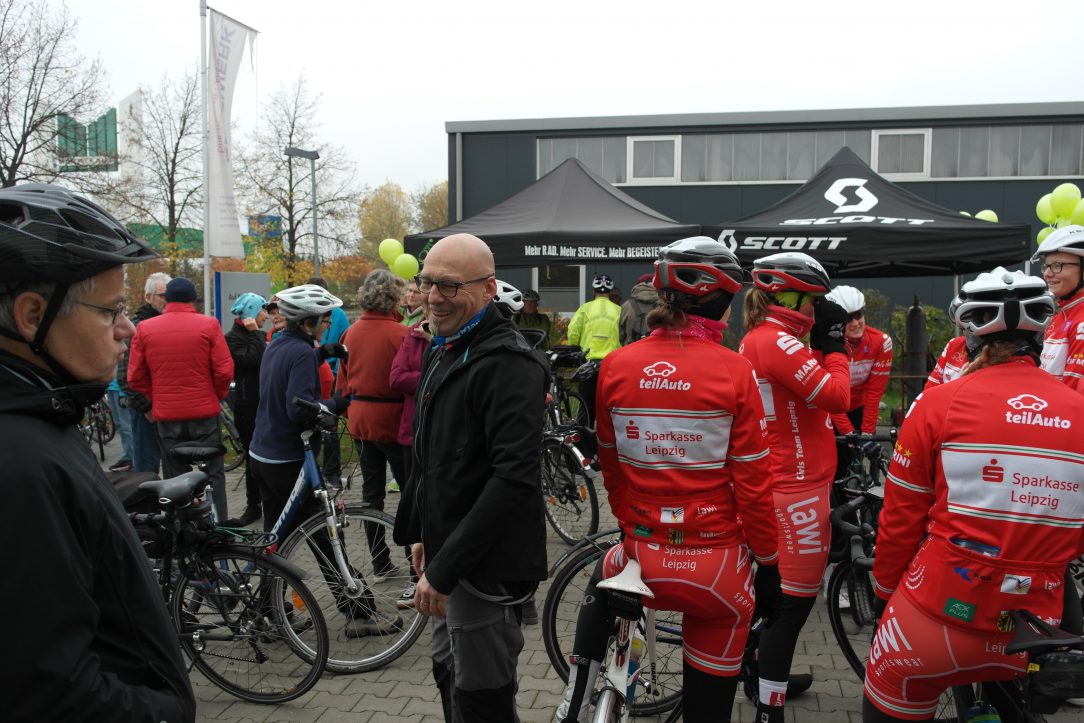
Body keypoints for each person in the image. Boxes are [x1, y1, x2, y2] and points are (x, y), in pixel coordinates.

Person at [555, 237, 780, 723]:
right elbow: (755, 485)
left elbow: (611, 469)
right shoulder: (736, 370)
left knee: (603, 572)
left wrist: (633, 523)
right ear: (722, 300)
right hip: (718, 570)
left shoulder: (615, 365)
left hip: (640, 557)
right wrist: (771, 563)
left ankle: (576, 698)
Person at [0, 183, 195, 720]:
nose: (128, 328)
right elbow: (45, 688)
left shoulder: (40, 418)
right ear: (33, 315)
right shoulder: (20, 463)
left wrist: (108, 497)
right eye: (110, 311)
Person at [864, 268, 1084, 722]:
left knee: (887, 683)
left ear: (969, 335)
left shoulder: (938, 403)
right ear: (1040, 336)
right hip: (1036, 625)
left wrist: (885, 592)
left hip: (939, 614)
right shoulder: (1078, 409)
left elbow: (900, 518)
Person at [392, 233, 548, 722]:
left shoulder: (507, 364)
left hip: (484, 568)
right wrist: (421, 532)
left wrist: (445, 566)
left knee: (482, 697)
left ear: (487, 289)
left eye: (449, 286)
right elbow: (431, 453)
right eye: (427, 282)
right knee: (449, 673)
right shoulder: (446, 347)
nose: (434, 296)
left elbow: (514, 480)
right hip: (450, 553)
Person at [739, 251, 852, 723]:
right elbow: (837, 394)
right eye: (814, 303)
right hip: (798, 487)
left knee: (772, 601)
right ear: (793, 300)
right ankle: (770, 708)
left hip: (786, 481)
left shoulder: (763, 338)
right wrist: (836, 347)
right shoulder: (776, 341)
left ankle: (763, 679)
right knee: (793, 606)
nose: (816, 312)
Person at [249, 284, 396, 637]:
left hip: (263, 454)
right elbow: (299, 408)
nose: (328, 324)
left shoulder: (280, 344)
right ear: (307, 322)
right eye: (324, 320)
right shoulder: (300, 352)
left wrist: (323, 353)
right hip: (287, 459)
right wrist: (340, 404)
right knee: (325, 538)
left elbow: (288, 372)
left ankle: (267, 613)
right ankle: (359, 614)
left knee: (275, 540)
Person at [127, 277, 234, 519]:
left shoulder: (145, 328)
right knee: (213, 474)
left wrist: (156, 399)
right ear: (193, 299)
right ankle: (220, 529)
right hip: (204, 414)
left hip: (167, 417)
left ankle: (181, 533)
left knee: (175, 476)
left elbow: (134, 376)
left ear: (167, 299)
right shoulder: (208, 325)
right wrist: (216, 395)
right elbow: (224, 370)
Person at [338, 270, 409, 580]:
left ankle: (380, 561)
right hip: (394, 422)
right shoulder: (402, 335)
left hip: (360, 420)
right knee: (409, 492)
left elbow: (342, 385)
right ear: (392, 299)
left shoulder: (349, 334)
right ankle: (413, 559)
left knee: (371, 494)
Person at [116, 270, 170, 473]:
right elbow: (124, 376)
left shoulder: (169, 324)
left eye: (170, 296)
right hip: (146, 412)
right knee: (147, 470)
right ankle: (148, 506)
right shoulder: (137, 327)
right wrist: (146, 408)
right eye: (163, 295)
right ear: (149, 297)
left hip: (168, 408)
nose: (168, 300)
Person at [222, 291, 268, 527]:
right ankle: (253, 505)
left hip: (262, 402)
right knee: (253, 456)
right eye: (262, 310)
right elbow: (252, 361)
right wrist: (256, 335)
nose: (266, 315)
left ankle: (267, 500)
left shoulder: (254, 335)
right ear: (250, 312)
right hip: (247, 406)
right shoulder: (232, 338)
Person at [823, 285, 893, 436]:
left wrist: (867, 433)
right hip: (829, 410)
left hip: (858, 408)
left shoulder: (881, 342)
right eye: (848, 318)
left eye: (858, 314)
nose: (855, 323)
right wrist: (847, 432)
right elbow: (827, 396)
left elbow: (874, 393)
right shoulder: (822, 345)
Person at [1035, 224, 1084, 393]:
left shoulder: (1081, 322)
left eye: (1057, 265)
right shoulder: (1061, 316)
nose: (1047, 273)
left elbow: (1073, 397)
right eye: (1046, 266)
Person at [568, 273, 621, 425]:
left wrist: (576, 351)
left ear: (593, 291)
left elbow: (573, 332)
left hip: (588, 364)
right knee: (609, 409)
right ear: (610, 292)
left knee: (586, 408)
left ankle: (583, 446)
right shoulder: (618, 310)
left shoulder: (585, 309)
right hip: (612, 366)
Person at [104, 369, 135, 472]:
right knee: (119, 425)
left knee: (127, 426)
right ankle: (128, 455)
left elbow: (124, 368)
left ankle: (134, 458)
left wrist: (124, 393)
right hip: (111, 388)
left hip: (121, 389)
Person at [618, 272, 659, 345]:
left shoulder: (626, 306)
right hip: (656, 353)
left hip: (631, 352)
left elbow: (621, 335)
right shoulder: (664, 305)